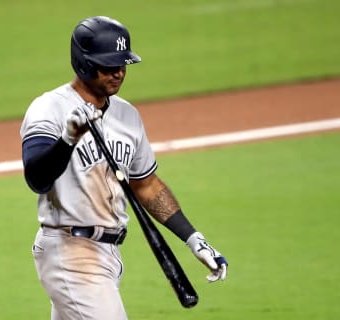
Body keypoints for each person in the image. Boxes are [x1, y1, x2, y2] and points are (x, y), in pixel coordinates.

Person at [20, 16, 227, 320]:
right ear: (84, 63)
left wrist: (193, 238)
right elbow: (36, 178)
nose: (118, 72)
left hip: (109, 255)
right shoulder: (49, 108)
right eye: (109, 65)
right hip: (71, 252)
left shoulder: (127, 116)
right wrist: (67, 138)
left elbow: (146, 185)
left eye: (123, 65)